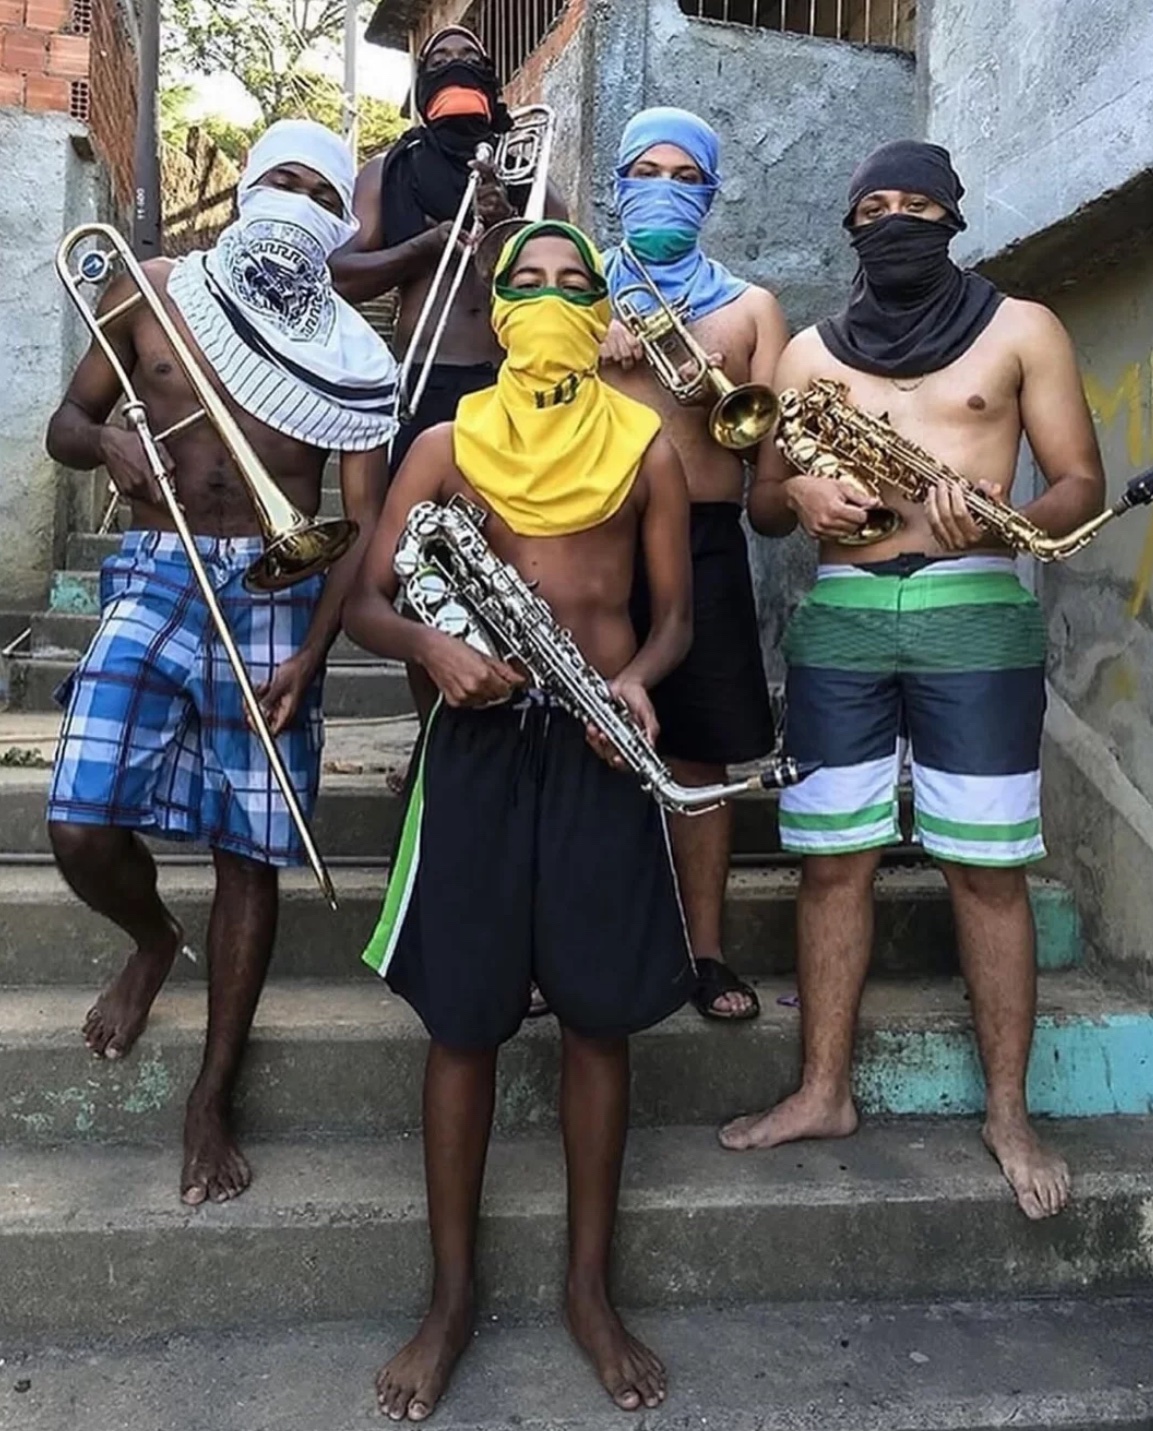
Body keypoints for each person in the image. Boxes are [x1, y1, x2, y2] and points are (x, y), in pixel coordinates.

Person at [343, 220, 694, 1421]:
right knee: (463, 1021)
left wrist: (635, 681)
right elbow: (369, 602)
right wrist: (433, 648)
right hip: (479, 749)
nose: (549, 299)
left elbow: (674, 617)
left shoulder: (645, 443)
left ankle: (588, 1293)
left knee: (599, 1019)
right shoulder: (445, 443)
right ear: (495, 314)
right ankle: (449, 1301)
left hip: (598, 741)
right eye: (526, 283)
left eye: (571, 283)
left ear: (601, 312)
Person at [722, 140, 1106, 1220]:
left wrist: (1003, 519)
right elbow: (761, 503)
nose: (893, 220)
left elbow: (1080, 481)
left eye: (916, 204)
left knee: (986, 869)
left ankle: (1007, 1114)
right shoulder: (806, 352)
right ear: (851, 223)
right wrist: (798, 497)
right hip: (840, 614)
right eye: (872, 206)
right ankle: (823, 1092)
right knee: (830, 862)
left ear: (951, 217)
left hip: (976, 610)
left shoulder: (1024, 327)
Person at [44, 120, 397, 1207]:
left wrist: (318, 650)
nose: (297, 201)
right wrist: (108, 443)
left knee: (250, 852)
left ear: (341, 222)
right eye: (280, 179)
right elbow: (67, 421)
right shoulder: (154, 289)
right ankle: (152, 939)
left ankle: (212, 1097)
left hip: (280, 590)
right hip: (158, 569)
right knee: (78, 822)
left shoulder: (355, 356)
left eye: (320, 192)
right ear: (246, 187)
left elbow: (363, 526)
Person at [600, 107, 788, 1021]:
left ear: (710, 194)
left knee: (700, 756)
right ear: (617, 184)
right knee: (586, 747)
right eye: (647, 173)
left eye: (685, 178)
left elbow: (771, 464)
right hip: (595, 539)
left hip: (707, 541)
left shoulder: (751, 308)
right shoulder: (579, 290)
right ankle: (578, 943)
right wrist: (594, 353)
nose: (664, 192)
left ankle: (703, 953)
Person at [330, 24, 568, 475]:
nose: (456, 67)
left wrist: (504, 224)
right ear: (421, 88)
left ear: (491, 82)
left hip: (513, 381)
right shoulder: (388, 171)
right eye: (439, 63)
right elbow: (339, 277)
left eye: (471, 61)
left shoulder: (526, 172)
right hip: (424, 379)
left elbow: (568, 285)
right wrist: (424, 246)